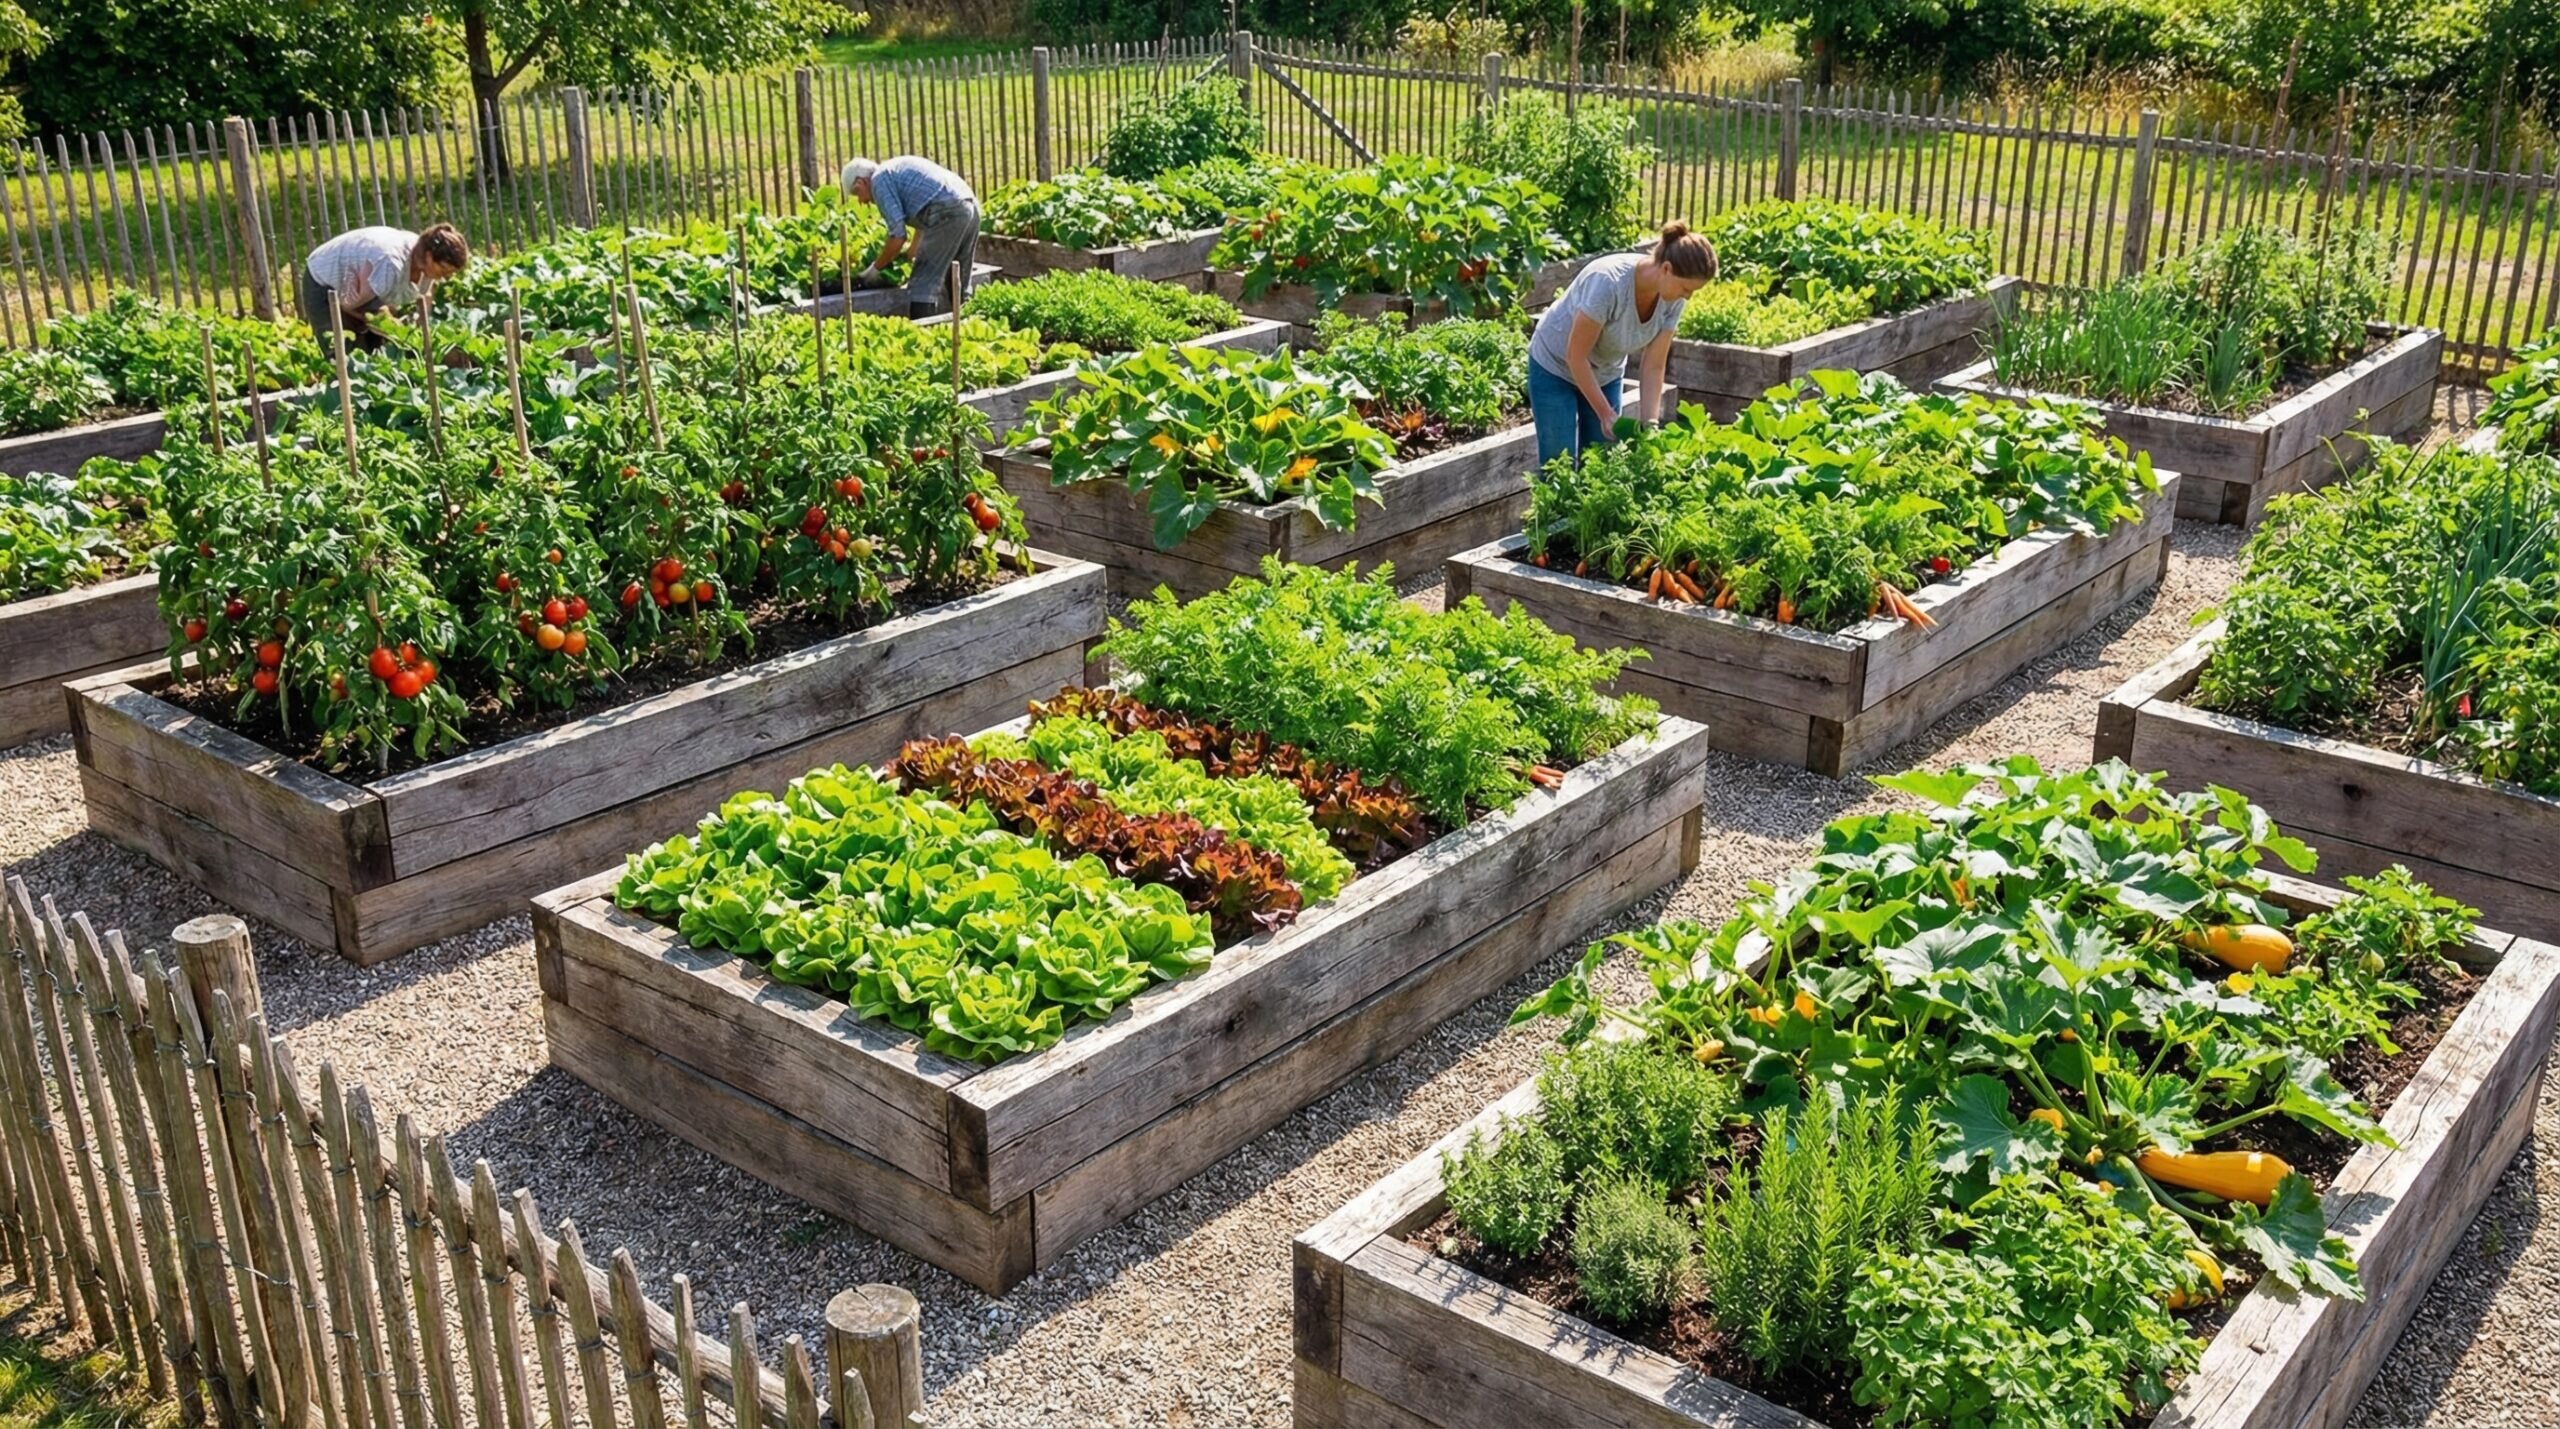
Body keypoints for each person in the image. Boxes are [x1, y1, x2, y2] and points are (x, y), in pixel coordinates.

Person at [1526, 222, 1717, 470]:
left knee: (1601, 464)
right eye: (1686, 288)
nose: (1688, 296)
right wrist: (1605, 413)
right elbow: (1576, 356)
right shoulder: (1608, 282)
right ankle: (1553, 509)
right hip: (1555, 365)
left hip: (1606, 371)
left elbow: (1654, 366)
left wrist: (1651, 426)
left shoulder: (1673, 300)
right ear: (1667, 268)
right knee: (1557, 465)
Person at [841, 156, 981, 319]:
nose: (862, 201)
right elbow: (922, 214)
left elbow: (898, 236)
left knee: (922, 284)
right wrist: (911, 252)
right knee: (958, 278)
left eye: (857, 193)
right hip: (969, 205)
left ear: (861, 182)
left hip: (948, 211)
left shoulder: (879, 180)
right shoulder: (894, 170)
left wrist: (875, 268)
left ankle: (924, 338)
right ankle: (968, 327)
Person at [299, 223, 469, 352]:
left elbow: (425, 298)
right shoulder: (391, 263)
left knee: (376, 353)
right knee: (343, 354)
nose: (447, 276)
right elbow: (374, 315)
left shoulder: (423, 260)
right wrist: (409, 340)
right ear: (429, 257)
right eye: (445, 270)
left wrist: (421, 330)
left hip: (362, 290)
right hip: (324, 281)